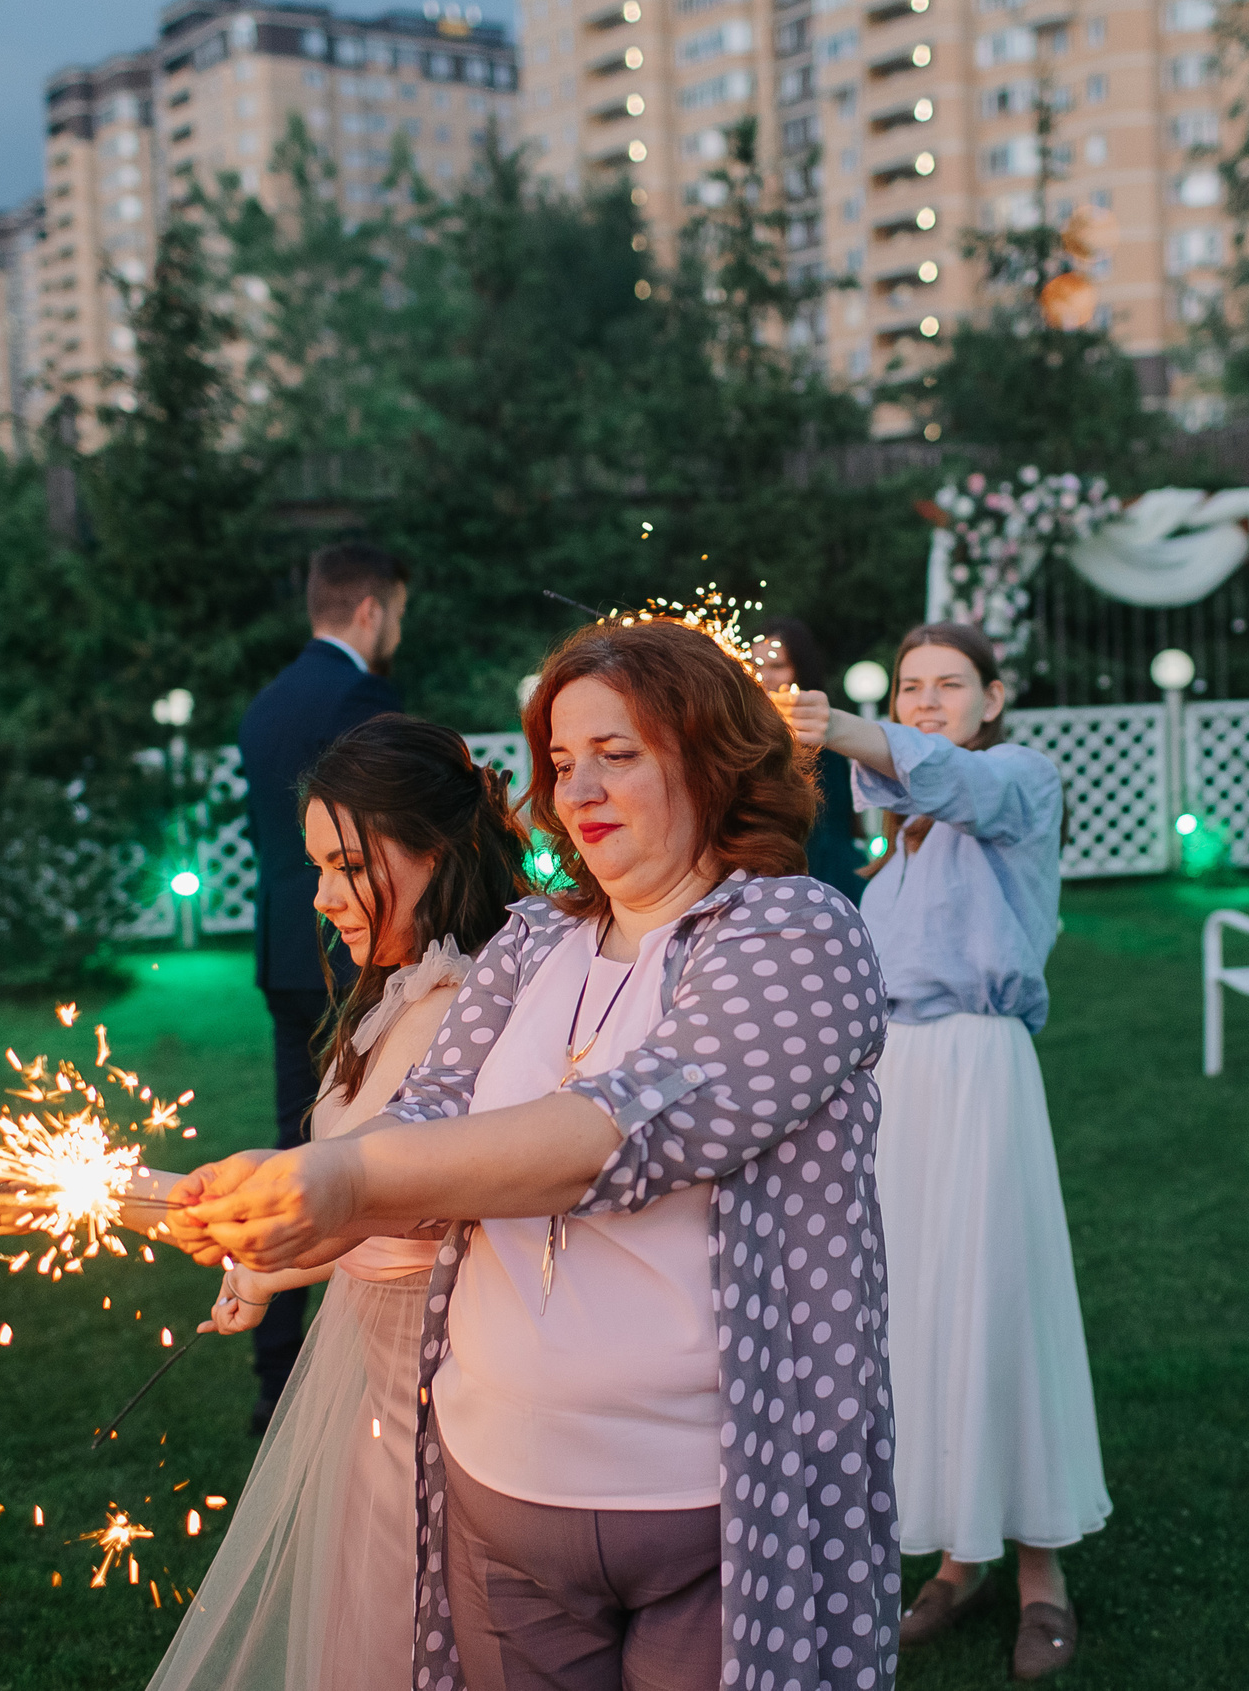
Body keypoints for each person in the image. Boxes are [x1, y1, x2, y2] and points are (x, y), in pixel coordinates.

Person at [173, 620, 901, 1691]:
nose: (580, 791)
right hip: (498, 1484)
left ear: (711, 756)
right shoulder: (533, 942)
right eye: (562, 763)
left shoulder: (795, 933)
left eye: (619, 753)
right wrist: (255, 1213)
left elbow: (624, 1127)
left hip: (708, 1500)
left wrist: (340, 1181)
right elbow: (424, 1128)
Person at [140, 714, 527, 1691]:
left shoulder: (472, 1011)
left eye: (347, 866)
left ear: (437, 851)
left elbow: (397, 1204)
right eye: (315, 866)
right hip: (376, 1412)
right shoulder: (398, 992)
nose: (321, 898)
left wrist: (170, 1210)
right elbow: (353, 1205)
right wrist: (247, 1252)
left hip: (453, 1425)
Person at [778, 620, 1107, 1682]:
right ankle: (958, 1554)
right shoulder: (892, 852)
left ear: (990, 698)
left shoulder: (1019, 785)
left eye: (947, 686)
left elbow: (953, 782)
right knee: (915, 1312)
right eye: (910, 686)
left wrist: (845, 726)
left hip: (981, 1071)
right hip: (899, 1088)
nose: (925, 702)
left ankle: (1040, 1568)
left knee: (996, 1299)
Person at [235, 541, 409, 1430]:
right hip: (354, 949)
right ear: (372, 609)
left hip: (284, 955)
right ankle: (355, 1355)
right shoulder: (365, 701)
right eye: (398, 614)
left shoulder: (264, 708)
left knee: (297, 1139)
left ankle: (274, 1374)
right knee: (367, 1146)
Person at [753, 616, 864, 901]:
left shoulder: (822, 741)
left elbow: (829, 836)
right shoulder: (738, 736)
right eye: (756, 666)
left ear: (800, 670)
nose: (765, 676)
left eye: (777, 666)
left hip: (818, 889)